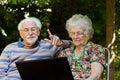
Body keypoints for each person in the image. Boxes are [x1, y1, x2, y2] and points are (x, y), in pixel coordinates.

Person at [0, 17, 70, 80]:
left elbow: (74, 44)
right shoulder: (10, 48)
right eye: (26, 30)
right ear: (20, 34)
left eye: (33, 29)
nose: (30, 33)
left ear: (38, 32)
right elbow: (1, 71)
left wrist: (61, 43)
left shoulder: (48, 46)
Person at [58, 14, 106, 80]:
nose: (75, 36)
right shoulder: (65, 53)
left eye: (79, 33)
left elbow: (96, 75)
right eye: (73, 33)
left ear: (87, 34)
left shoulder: (95, 49)